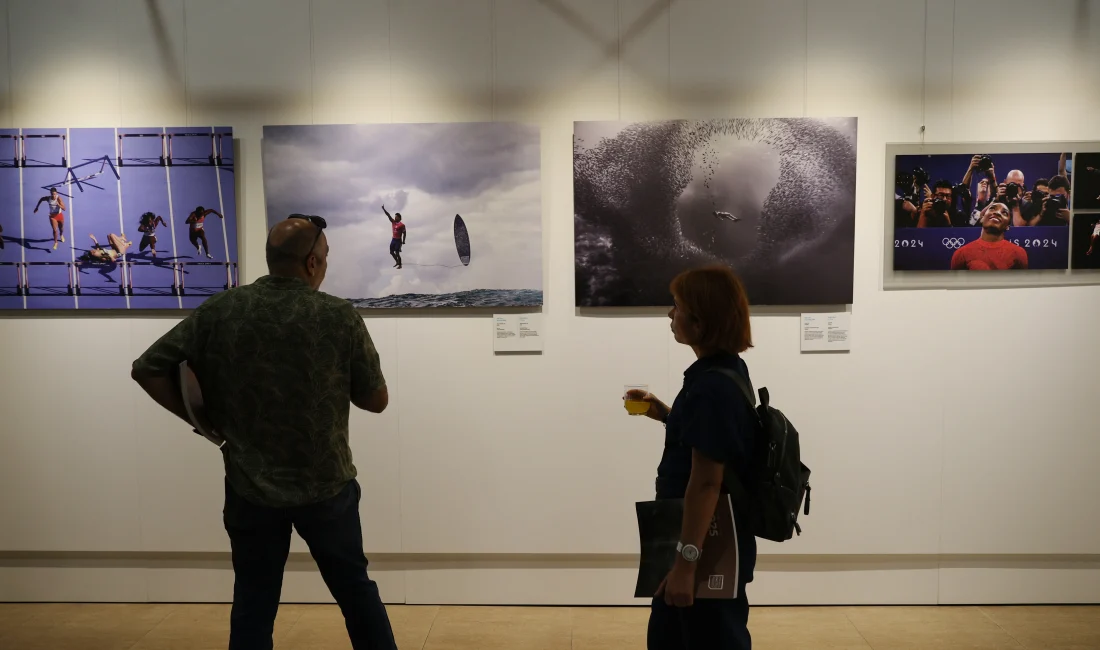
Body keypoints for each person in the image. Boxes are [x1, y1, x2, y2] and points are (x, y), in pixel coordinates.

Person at [130, 214, 397, 650]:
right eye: (325, 258)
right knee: (354, 591)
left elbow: (148, 368)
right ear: (312, 263)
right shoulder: (337, 315)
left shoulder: (223, 309)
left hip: (249, 485)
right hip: (326, 484)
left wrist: (201, 423)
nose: (325, 266)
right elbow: (375, 400)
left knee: (254, 601)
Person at [624, 265, 758, 650]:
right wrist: (667, 414)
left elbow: (706, 481)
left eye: (677, 306)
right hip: (706, 540)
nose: (670, 314)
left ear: (700, 322)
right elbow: (712, 441)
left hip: (705, 547)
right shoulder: (723, 372)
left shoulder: (712, 387)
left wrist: (686, 565)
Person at [950, 203, 1027, 270]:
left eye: (1004, 213)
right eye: (992, 209)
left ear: (1007, 226)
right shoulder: (961, 253)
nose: (997, 213)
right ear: (982, 218)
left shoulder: (1018, 253)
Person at [33, 187, 66, 251]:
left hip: (59, 215)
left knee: (61, 228)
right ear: (50, 194)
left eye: (54, 194)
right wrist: (37, 207)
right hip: (52, 216)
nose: (53, 195)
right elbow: (41, 199)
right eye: (52, 194)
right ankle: (56, 242)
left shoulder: (59, 198)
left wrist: (59, 205)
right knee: (55, 230)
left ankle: (61, 235)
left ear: (56, 193)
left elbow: (64, 208)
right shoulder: (48, 198)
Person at [381, 204, 406, 269]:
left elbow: (404, 233)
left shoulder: (402, 225)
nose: (395, 218)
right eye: (395, 217)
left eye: (396, 217)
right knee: (391, 252)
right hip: (393, 240)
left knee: (397, 253)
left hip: (398, 240)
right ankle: (397, 261)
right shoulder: (393, 222)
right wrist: (384, 209)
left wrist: (403, 241)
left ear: (399, 218)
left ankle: (400, 265)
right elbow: (388, 215)